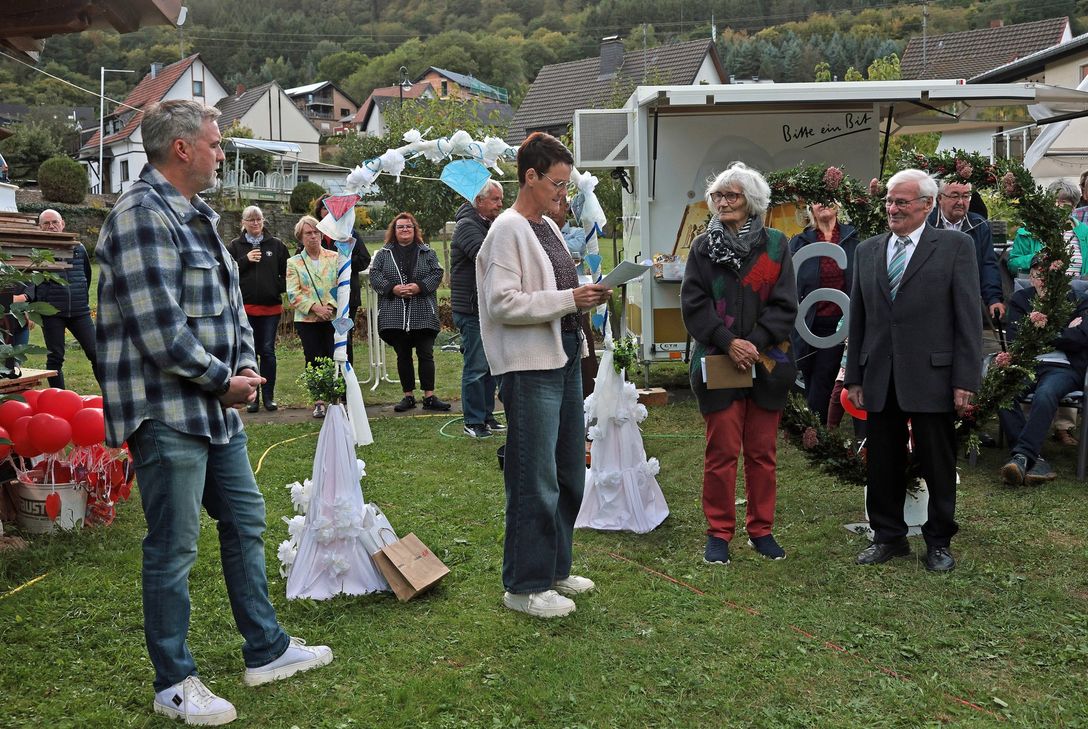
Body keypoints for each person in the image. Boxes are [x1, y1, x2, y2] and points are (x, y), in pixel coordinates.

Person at [95, 99, 331, 726]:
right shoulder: (141, 218)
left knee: (246, 520)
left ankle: (267, 650)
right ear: (182, 149)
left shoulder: (198, 215)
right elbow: (160, 330)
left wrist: (246, 371)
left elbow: (229, 309)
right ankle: (173, 683)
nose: (222, 152)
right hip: (168, 408)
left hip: (216, 407)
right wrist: (223, 379)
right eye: (216, 142)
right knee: (173, 547)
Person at [477, 132, 612, 618]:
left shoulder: (549, 229)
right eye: (557, 183)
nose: (564, 194)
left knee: (569, 471)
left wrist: (590, 292)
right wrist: (570, 300)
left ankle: (554, 569)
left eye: (567, 184)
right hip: (528, 368)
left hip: (564, 359)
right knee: (534, 478)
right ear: (529, 177)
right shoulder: (506, 230)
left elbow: (559, 287)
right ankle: (523, 585)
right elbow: (501, 303)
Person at [846, 168, 982, 573]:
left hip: (933, 375)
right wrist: (853, 375)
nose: (892, 208)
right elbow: (859, 318)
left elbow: (968, 318)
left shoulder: (956, 247)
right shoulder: (868, 250)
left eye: (901, 202)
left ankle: (938, 540)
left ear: (927, 205)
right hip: (880, 375)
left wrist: (964, 379)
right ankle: (888, 537)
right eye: (889, 201)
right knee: (883, 459)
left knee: (937, 462)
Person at [681, 162, 798, 566]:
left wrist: (755, 343)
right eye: (718, 196)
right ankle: (718, 532)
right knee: (722, 451)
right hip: (718, 360)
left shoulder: (778, 246)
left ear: (752, 202)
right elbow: (694, 306)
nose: (723, 203)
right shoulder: (701, 247)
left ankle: (761, 529)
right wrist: (730, 343)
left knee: (763, 453)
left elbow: (786, 306)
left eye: (732, 196)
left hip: (768, 361)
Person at [1000, 256, 1088, 486]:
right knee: (1004, 391)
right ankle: (1033, 458)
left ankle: (1021, 456)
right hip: (1029, 364)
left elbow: (1081, 340)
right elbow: (1016, 340)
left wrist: (1042, 329)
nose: (1043, 280)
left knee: (1046, 393)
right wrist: (1063, 331)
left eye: (1049, 275)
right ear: (1031, 277)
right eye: (1038, 274)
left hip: (1064, 368)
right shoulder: (1021, 299)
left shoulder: (1077, 299)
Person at [369, 212, 450, 413]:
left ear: (415, 230)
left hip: (422, 311)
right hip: (394, 313)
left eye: (408, 227)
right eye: (400, 227)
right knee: (403, 355)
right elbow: (374, 275)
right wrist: (393, 288)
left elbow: (437, 273)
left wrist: (419, 287)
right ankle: (408, 396)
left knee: (425, 354)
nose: (405, 230)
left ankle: (429, 396)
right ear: (393, 231)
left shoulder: (427, 252)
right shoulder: (383, 254)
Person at [789, 201, 858, 425]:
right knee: (814, 377)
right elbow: (790, 284)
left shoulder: (854, 239)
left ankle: (824, 431)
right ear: (810, 209)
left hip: (847, 324)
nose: (824, 205)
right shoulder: (799, 243)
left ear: (839, 206)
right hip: (810, 325)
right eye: (817, 200)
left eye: (829, 200)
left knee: (835, 378)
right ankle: (819, 432)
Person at [450, 179, 505, 438]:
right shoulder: (467, 226)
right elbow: (485, 256)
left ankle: (487, 415)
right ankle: (473, 421)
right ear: (479, 201)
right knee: (476, 366)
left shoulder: (487, 224)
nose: (500, 204)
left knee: (491, 365)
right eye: (495, 199)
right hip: (471, 308)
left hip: (487, 307)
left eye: (500, 199)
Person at [228, 205, 288, 413]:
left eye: (258, 219)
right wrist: (246, 260)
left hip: (271, 308)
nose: (255, 223)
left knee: (268, 351)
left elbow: (287, 273)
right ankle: (252, 398)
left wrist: (275, 288)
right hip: (245, 308)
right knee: (250, 354)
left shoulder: (277, 245)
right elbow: (227, 272)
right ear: (243, 223)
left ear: (263, 221)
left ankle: (269, 397)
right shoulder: (235, 246)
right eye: (250, 220)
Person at [35, 209, 98, 389]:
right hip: (51, 312)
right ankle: (59, 399)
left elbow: (87, 275)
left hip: (80, 311)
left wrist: (80, 298)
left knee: (96, 353)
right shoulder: (36, 252)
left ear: (62, 223)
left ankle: (109, 399)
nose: (51, 226)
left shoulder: (78, 248)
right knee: (55, 357)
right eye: (46, 223)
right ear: (40, 228)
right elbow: (31, 282)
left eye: (54, 222)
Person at [927, 179, 1005, 322]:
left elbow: (988, 263)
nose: (961, 202)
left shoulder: (980, 224)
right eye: (955, 196)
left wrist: (994, 298)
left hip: (967, 297)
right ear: (940, 198)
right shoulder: (926, 224)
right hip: (931, 299)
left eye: (965, 196)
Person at [547, 196, 600, 399]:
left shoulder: (577, 233)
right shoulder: (541, 229)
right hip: (553, 297)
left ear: (567, 207)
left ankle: (586, 393)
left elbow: (574, 250)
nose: (553, 209)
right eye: (551, 202)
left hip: (576, 297)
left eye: (559, 203)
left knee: (581, 343)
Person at [287, 215, 338, 418]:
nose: (313, 236)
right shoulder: (294, 262)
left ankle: (336, 397)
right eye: (308, 233)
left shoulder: (334, 257)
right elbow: (293, 293)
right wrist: (316, 308)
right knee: (313, 357)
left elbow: (340, 286)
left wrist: (330, 307)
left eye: (316, 232)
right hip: (307, 319)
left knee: (333, 356)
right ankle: (318, 401)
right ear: (301, 237)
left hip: (332, 317)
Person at [312, 194, 372, 365]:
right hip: (320, 297)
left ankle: (345, 376)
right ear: (319, 212)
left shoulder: (349, 233)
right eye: (324, 208)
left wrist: (343, 263)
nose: (328, 211)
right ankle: (325, 377)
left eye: (331, 208)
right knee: (322, 339)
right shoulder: (314, 233)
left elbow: (364, 259)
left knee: (345, 338)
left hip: (346, 296)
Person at [1008, 180, 1088, 276]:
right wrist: (1035, 259)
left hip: (1079, 289)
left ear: (1074, 206)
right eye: (1053, 200)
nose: (1057, 205)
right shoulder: (1030, 229)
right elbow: (1012, 265)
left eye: (1063, 202)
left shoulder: (1084, 231)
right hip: (1039, 288)